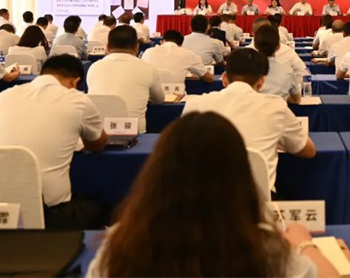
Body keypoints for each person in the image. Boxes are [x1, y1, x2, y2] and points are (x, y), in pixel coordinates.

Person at [85, 111, 337, 278]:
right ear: (242, 175)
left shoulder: (120, 247)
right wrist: (304, 243)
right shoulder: (267, 250)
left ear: (155, 173)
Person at [0, 54, 108, 229]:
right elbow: (98, 144)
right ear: (75, 82)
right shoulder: (78, 100)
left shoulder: (3, 96)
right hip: (51, 211)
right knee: (99, 205)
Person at [182, 49, 316, 189]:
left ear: (224, 79)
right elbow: (308, 150)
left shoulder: (195, 105)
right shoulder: (276, 106)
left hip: (203, 198)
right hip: (258, 199)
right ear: (261, 82)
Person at [87, 26, 165, 133]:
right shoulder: (147, 68)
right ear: (137, 47)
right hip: (135, 133)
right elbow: (159, 99)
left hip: (99, 132)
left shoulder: (94, 67)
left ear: (108, 47)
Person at [142, 30, 213, 83]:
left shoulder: (148, 52)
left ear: (162, 41)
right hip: (176, 95)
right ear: (181, 45)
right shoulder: (188, 54)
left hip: (149, 96)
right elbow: (209, 78)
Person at [254, 25, 301, 103]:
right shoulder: (287, 71)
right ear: (278, 46)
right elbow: (297, 100)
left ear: (255, 45)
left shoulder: (245, 71)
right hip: (279, 109)